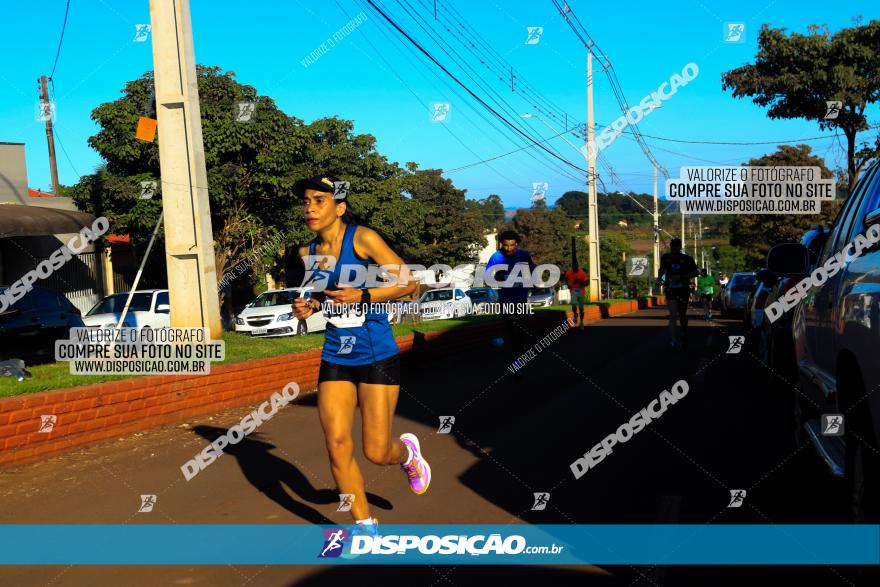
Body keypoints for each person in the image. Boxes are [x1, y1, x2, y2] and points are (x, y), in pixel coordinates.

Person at [291, 174, 431, 540]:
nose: (310, 207)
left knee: (376, 451)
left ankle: (407, 455)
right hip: (336, 353)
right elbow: (328, 296)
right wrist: (310, 307)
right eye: (306, 201)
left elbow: (408, 284)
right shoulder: (308, 253)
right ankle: (365, 528)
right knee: (336, 442)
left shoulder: (363, 238)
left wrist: (366, 297)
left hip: (376, 353)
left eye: (319, 200)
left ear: (340, 207)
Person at [484, 230, 536, 375]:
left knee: (518, 329)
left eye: (512, 245)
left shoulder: (523, 255)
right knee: (509, 332)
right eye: (506, 245)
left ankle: (518, 364)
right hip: (505, 299)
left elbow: (533, 270)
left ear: (516, 243)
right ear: (501, 244)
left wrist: (534, 280)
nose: (509, 248)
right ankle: (517, 351)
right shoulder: (496, 257)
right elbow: (487, 277)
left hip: (520, 297)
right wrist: (497, 277)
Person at [656, 238, 699, 350]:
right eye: (672, 246)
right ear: (670, 246)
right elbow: (662, 270)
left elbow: (696, 272)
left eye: (676, 246)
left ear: (680, 247)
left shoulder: (687, 259)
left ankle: (684, 332)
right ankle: (673, 340)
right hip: (670, 289)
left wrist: (681, 277)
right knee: (673, 315)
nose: (674, 248)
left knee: (682, 314)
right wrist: (660, 279)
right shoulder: (666, 258)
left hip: (683, 289)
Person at [563, 261, 588, 330]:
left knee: (581, 308)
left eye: (576, 267)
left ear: (578, 266)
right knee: (574, 305)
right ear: (572, 267)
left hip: (581, 292)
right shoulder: (569, 272)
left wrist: (580, 282)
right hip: (573, 291)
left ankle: (581, 322)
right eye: (573, 267)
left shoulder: (582, 273)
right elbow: (565, 278)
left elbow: (586, 283)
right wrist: (568, 284)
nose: (574, 268)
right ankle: (575, 314)